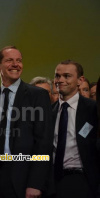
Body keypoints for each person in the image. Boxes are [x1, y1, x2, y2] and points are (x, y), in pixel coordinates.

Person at [0, 46, 53, 198]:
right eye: (9, 60)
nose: (15, 64)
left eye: (19, 61)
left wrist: (35, 183)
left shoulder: (37, 95)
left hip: (23, 178)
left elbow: (44, 142)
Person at [52, 60, 99, 198]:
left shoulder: (93, 109)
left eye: (67, 76)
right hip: (54, 182)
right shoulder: (48, 112)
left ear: (80, 80)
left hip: (85, 181)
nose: (60, 80)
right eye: (57, 76)